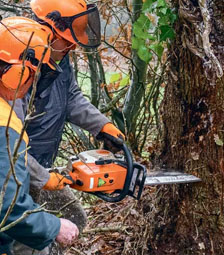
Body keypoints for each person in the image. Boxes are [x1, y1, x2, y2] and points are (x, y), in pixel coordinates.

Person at [12, 0, 126, 254]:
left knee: (73, 217)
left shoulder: (58, 57)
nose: (73, 45)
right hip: (16, 173)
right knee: (26, 240)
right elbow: (10, 146)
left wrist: (101, 125)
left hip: (42, 164)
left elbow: (70, 95)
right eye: (67, 39)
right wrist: (42, 177)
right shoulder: (16, 66)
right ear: (48, 29)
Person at [0, 17, 79, 255]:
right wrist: (54, 226)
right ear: (17, 72)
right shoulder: (4, 123)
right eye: (32, 74)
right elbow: (7, 206)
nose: (33, 82)